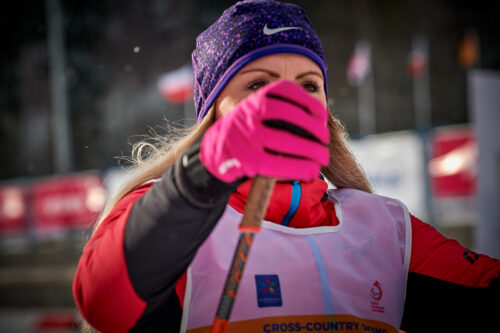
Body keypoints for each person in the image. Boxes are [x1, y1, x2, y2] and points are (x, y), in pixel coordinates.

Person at [73, 1, 500, 332]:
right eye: (258, 84)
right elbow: (103, 303)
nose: (287, 102)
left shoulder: (386, 228)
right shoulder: (169, 209)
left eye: (308, 86)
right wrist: (206, 169)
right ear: (215, 116)